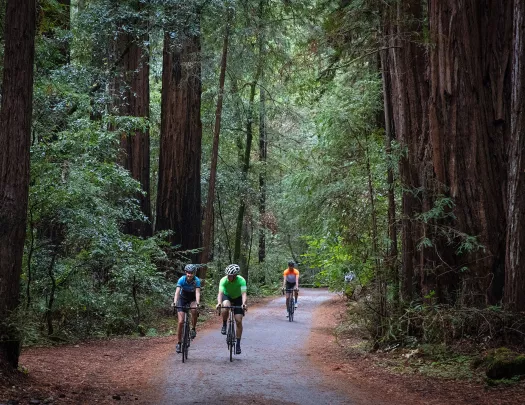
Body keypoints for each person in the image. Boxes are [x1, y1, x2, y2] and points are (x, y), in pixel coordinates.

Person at [215, 264, 247, 354]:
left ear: (235, 275)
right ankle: (224, 324)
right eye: (228, 275)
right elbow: (220, 293)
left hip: (238, 298)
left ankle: (238, 344)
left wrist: (244, 304)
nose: (228, 277)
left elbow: (244, 294)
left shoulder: (241, 280)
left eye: (231, 276)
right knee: (225, 307)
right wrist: (219, 303)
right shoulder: (223, 280)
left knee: (238, 320)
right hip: (227, 296)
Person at [173, 264, 201, 354]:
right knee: (181, 322)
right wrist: (175, 302)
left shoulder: (197, 281)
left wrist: (197, 302)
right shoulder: (182, 279)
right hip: (183, 298)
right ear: (185, 272)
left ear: (194, 273)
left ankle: (193, 329)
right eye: (188, 273)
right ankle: (179, 343)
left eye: (191, 273)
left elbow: (197, 292)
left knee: (194, 310)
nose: (189, 275)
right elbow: (177, 292)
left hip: (192, 299)